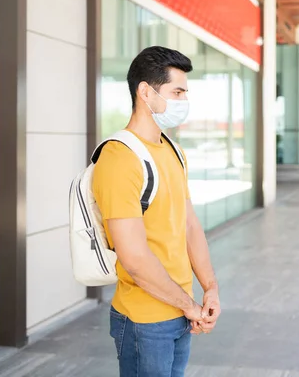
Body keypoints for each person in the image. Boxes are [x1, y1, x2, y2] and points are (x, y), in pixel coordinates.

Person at [93, 46, 220, 377]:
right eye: (176, 92)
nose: (183, 102)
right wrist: (190, 306)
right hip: (144, 321)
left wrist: (210, 288)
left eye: (185, 93)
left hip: (180, 310)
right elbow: (133, 258)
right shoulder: (120, 158)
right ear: (145, 92)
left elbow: (190, 225)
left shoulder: (174, 150)